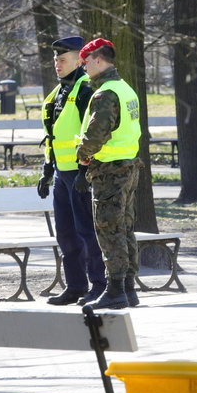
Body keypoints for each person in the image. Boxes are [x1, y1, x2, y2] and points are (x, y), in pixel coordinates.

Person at [38, 36, 107, 306]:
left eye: (62, 58)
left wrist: (83, 170)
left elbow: (92, 133)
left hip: (81, 175)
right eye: (55, 58)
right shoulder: (56, 94)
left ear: (79, 59)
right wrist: (47, 170)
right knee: (66, 234)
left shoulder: (86, 89)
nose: (57, 63)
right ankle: (76, 286)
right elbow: (53, 136)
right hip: (61, 174)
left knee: (87, 232)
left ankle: (99, 285)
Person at [75, 38, 142, 309]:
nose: (84, 67)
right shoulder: (125, 89)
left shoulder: (105, 94)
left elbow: (94, 137)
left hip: (109, 171)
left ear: (99, 60)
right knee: (124, 228)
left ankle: (115, 291)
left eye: (86, 61)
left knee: (108, 231)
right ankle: (127, 287)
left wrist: (82, 155)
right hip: (127, 167)